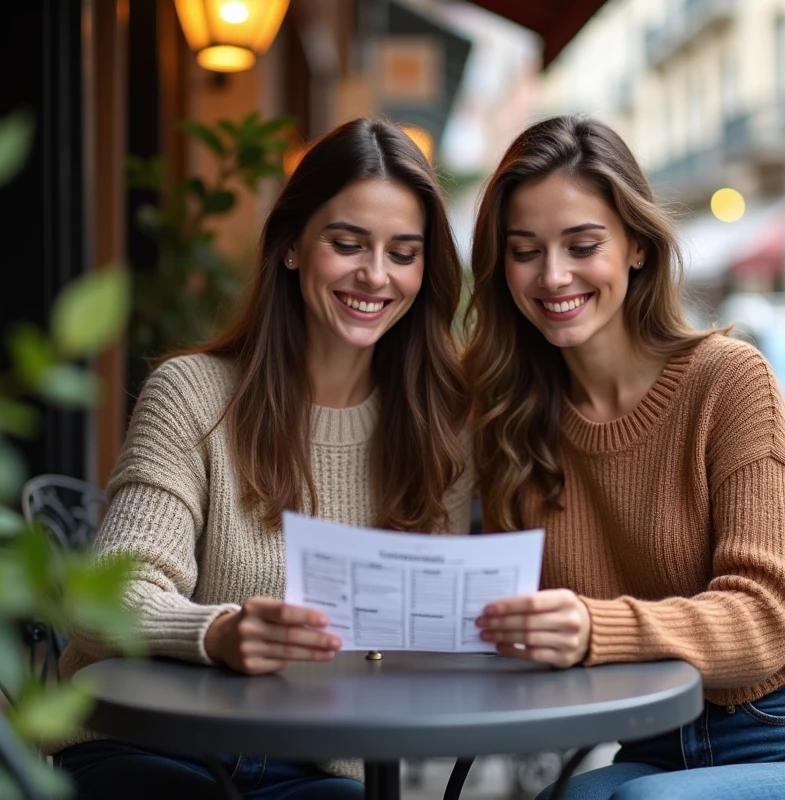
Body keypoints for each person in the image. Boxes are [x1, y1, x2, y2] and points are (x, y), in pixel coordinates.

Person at [463, 115, 785, 800]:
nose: (553, 275)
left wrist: (592, 626)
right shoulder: (513, 421)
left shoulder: (729, 381)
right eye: (525, 251)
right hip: (657, 744)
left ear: (636, 246)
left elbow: (764, 618)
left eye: (582, 245)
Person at [52, 118, 473, 799]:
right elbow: (103, 599)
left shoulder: (439, 428)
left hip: (311, 771)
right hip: (152, 748)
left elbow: (411, 649)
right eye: (347, 244)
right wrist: (218, 633)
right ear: (292, 247)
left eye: (404, 253)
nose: (376, 275)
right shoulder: (193, 395)